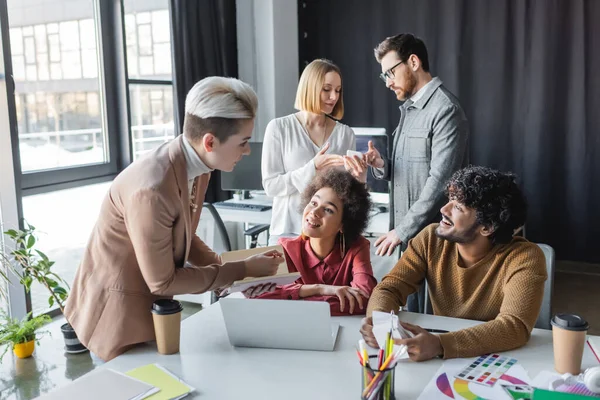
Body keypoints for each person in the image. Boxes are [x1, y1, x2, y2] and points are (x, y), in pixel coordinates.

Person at [65, 77, 284, 361]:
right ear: (210, 141)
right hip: (117, 312)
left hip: (150, 307)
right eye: (243, 142)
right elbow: (162, 282)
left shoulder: (199, 165)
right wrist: (240, 270)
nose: (248, 151)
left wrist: (225, 269)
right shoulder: (152, 190)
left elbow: (185, 235)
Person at [359, 166, 547, 361]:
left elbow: (514, 327)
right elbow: (389, 289)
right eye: (450, 199)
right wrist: (378, 322)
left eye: (458, 207)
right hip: (445, 356)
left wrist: (441, 344)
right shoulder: (430, 238)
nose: (443, 209)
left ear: (487, 227)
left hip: (497, 358)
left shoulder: (526, 257)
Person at [363, 33, 469, 259]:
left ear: (413, 62)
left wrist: (402, 231)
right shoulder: (410, 108)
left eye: (390, 73)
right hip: (408, 239)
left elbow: (440, 181)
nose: (388, 83)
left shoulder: (445, 109)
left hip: (433, 241)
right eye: (384, 76)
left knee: (429, 297)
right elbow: (413, 170)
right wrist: (382, 164)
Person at [262, 59, 366, 245]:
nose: (334, 97)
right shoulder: (279, 128)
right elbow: (271, 186)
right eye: (327, 89)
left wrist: (361, 175)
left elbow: (349, 194)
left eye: (338, 90)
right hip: (287, 232)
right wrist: (312, 168)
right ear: (310, 87)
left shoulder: (345, 133)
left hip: (329, 236)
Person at [246, 169, 377, 316]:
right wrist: (318, 289)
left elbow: (365, 299)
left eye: (328, 210)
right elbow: (257, 295)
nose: (314, 212)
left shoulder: (357, 247)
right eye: (313, 202)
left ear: (344, 225)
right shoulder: (287, 249)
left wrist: (296, 300)